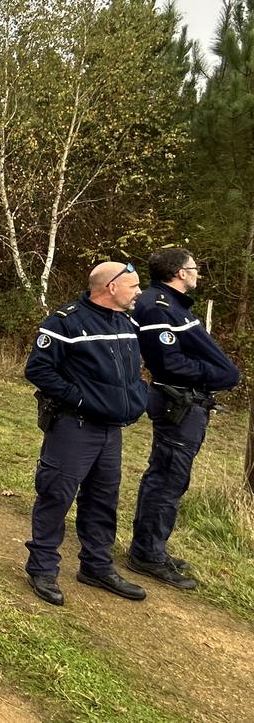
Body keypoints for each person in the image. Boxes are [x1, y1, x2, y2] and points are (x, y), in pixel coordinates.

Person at [23, 261, 148, 606]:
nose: (139, 292)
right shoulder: (65, 322)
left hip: (112, 430)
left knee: (103, 499)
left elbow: (132, 371)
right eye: (133, 286)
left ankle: (96, 566)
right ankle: (42, 567)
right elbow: (38, 369)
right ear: (111, 287)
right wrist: (78, 398)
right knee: (56, 494)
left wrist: (137, 395)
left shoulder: (126, 322)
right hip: (73, 428)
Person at [127, 248, 241, 589]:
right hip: (177, 404)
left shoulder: (169, 304)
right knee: (168, 479)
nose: (198, 274)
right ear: (178, 273)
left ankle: (148, 546)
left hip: (187, 402)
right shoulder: (158, 306)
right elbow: (168, 363)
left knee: (166, 476)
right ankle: (148, 555)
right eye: (194, 268)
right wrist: (214, 374)